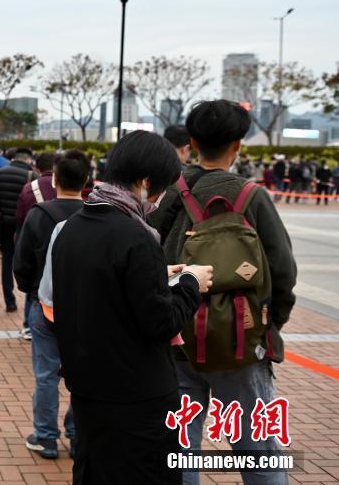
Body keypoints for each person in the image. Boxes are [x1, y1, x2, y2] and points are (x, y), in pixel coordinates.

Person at [52, 131, 213, 483]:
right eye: (161, 188)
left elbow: (101, 292)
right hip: (137, 397)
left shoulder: (73, 227)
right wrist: (190, 284)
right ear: (143, 181)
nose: (160, 197)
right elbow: (160, 322)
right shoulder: (135, 236)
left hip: (89, 390)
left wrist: (159, 275)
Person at [150, 101, 296, 485]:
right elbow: (282, 270)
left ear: (193, 142)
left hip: (178, 336)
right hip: (240, 340)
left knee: (180, 447)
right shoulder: (251, 196)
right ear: (238, 143)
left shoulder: (169, 195)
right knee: (258, 450)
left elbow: (148, 259)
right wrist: (267, 323)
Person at [13, 150, 90, 460]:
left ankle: (45, 438)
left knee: (46, 375)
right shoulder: (96, 213)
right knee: (83, 374)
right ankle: (75, 434)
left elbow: (22, 262)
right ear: (87, 180)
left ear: (54, 179)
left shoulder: (40, 214)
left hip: (43, 305)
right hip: (86, 307)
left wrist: (30, 289)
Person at [0, 147, 35, 313]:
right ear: (28, 160)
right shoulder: (32, 176)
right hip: (25, 227)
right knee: (29, 261)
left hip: (5, 226)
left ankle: (10, 300)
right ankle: (29, 300)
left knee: (7, 262)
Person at [15, 151, 56, 226]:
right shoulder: (65, 186)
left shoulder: (28, 187)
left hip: (34, 232)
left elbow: (19, 217)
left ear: (36, 169)